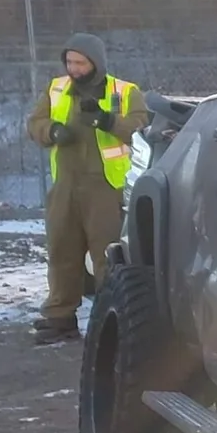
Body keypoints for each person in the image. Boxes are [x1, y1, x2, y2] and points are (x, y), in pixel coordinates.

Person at [25, 33, 148, 345]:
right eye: (70, 62)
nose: (74, 68)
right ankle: (60, 318)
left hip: (106, 187)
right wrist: (52, 131)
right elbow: (35, 123)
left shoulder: (125, 92)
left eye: (80, 62)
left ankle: (114, 320)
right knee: (62, 251)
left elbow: (141, 128)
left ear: (96, 62)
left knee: (107, 256)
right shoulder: (56, 89)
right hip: (65, 186)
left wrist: (107, 121)